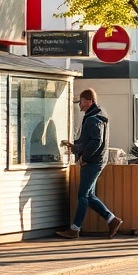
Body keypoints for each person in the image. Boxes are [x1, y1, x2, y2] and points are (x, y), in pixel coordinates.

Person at [56, 88, 123, 239]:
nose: (79, 105)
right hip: (97, 160)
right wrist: (75, 147)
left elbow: (95, 142)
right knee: (89, 195)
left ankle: (75, 229)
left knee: (82, 195)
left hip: (92, 162)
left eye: (81, 101)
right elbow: (89, 140)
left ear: (88, 101)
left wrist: (84, 158)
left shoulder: (93, 119)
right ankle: (112, 220)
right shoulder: (98, 115)